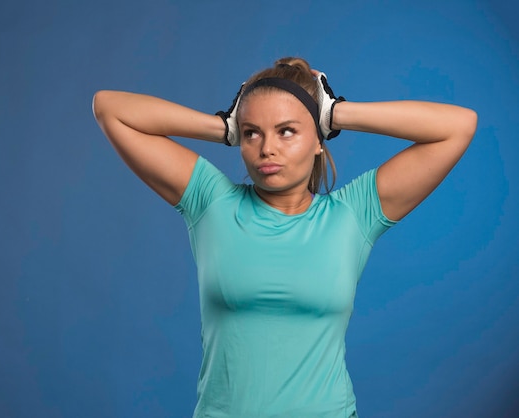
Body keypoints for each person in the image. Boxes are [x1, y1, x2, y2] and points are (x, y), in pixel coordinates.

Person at [92, 57, 477, 418]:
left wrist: (334, 112)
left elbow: (456, 127)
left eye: (287, 131)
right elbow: (110, 107)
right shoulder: (211, 201)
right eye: (251, 134)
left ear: (318, 141)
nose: (267, 148)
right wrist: (225, 125)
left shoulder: (352, 215)